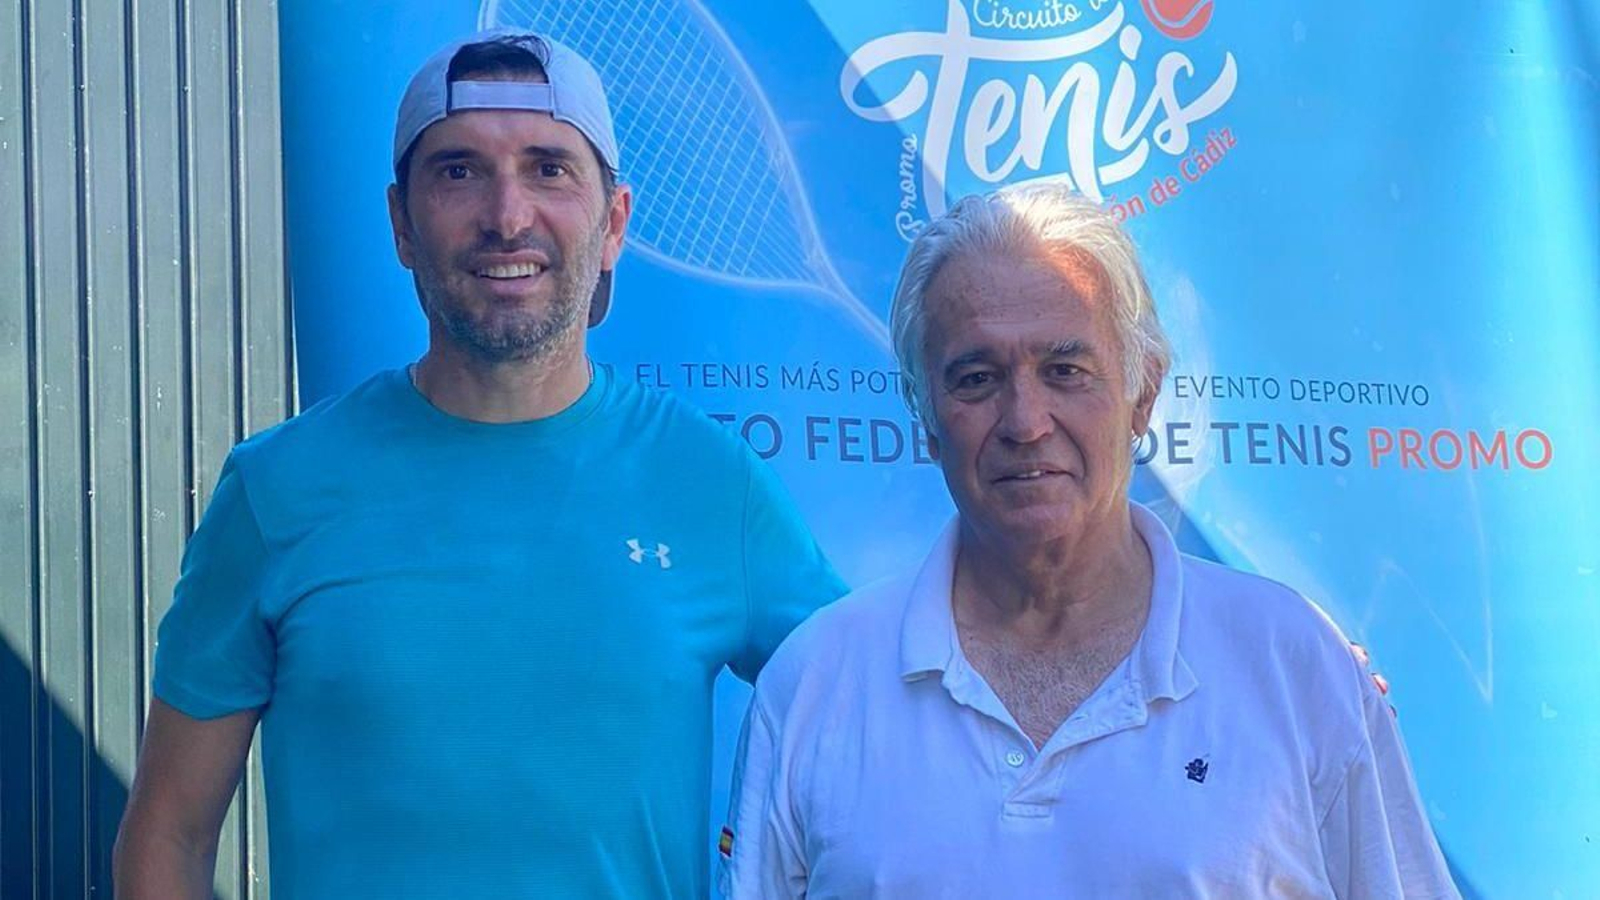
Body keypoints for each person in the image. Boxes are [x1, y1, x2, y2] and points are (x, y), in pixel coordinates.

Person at [112, 28, 843, 898]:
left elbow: (878, 738)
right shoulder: (275, 491)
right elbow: (168, 835)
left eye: (549, 169)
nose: (507, 215)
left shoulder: (713, 485)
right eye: (458, 171)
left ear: (613, 224)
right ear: (401, 225)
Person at [721, 182, 1460, 898]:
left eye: (1065, 370)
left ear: (1142, 394)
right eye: (976, 379)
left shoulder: (1295, 664)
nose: (1025, 421)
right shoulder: (813, 686)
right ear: (924, 413)